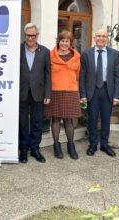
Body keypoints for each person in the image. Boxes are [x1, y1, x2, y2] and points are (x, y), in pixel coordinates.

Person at [80, 28, 119, 157]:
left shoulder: (114, 54)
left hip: (107, 90)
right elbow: (82, 76)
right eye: (98, 36)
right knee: (92, 119)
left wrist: (116, 95)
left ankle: (104, 144)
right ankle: (92, 144)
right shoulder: (86, 54)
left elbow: (117, 76)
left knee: (106, 119)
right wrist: (83, 94)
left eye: (104, 36)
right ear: (94, 38)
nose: (101, 38)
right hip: (92, 91)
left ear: (107, 38)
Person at [45, 31, 81, 160]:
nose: (64, 43)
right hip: (54, 91)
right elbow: (47, 74)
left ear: (70, 43)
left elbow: (77, 75)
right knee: (55, 119)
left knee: (68, 120)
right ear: (58, 41)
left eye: (67, 41)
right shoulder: (50, 55)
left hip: (70, 91)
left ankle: (71, 145)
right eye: (62, 40)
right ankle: (56, 145)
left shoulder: (76, 56)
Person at [19, 23, 51, 163]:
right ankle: (23, 150)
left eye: (33, 35)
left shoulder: (45, 51)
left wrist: (48, 94)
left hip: (39, 92)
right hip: (22, 92)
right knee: (23, 122)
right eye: (28, 35)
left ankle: (35, 149)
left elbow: (48, 74)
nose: (30, 38)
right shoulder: (17, 49)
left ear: (37, 35)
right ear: (25, 35)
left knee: (37, 122)